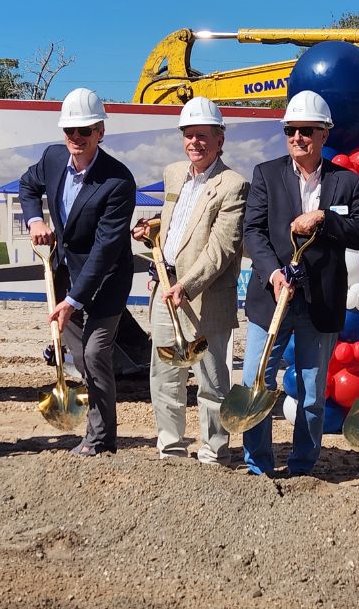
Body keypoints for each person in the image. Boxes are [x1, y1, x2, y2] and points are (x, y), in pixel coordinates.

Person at [242, 90, 359, 476]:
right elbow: (253, 231)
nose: (297, 137)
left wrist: (324, 219)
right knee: (256, 383)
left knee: (314, 395)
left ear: (323, 134)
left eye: (306, 130)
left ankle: (302, 470)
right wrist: (273, 272)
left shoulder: (346, 183)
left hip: (319, 305)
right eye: (291, 130)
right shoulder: (266, 174)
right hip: (272, 300)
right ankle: (258, 467)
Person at [131, 97, 249, 464]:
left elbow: (221, 247)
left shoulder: (233, 185)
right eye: (188, 135)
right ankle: (171, 447)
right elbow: (177, 222)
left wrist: (189, 285)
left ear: (220, 139)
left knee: (211, 379)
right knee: (165, 375)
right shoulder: (173, 173)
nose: (194, 142)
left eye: (202, 135)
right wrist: (151, 228)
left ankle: (213, 450)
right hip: (167, 293)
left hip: (205, 297)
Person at [20, 88, 136, 457]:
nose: (76, 138)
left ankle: (101, 441)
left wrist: (73, 300)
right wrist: (35, 218)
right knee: (81, 359)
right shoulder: (54, 158)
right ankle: (96, 430)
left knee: (96, 354)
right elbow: (27, 185)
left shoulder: (117, 181)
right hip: (63, 277)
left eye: (84, 131)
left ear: (100, 131)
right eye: (70, 130)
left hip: (105, 281)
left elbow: (105, 250)